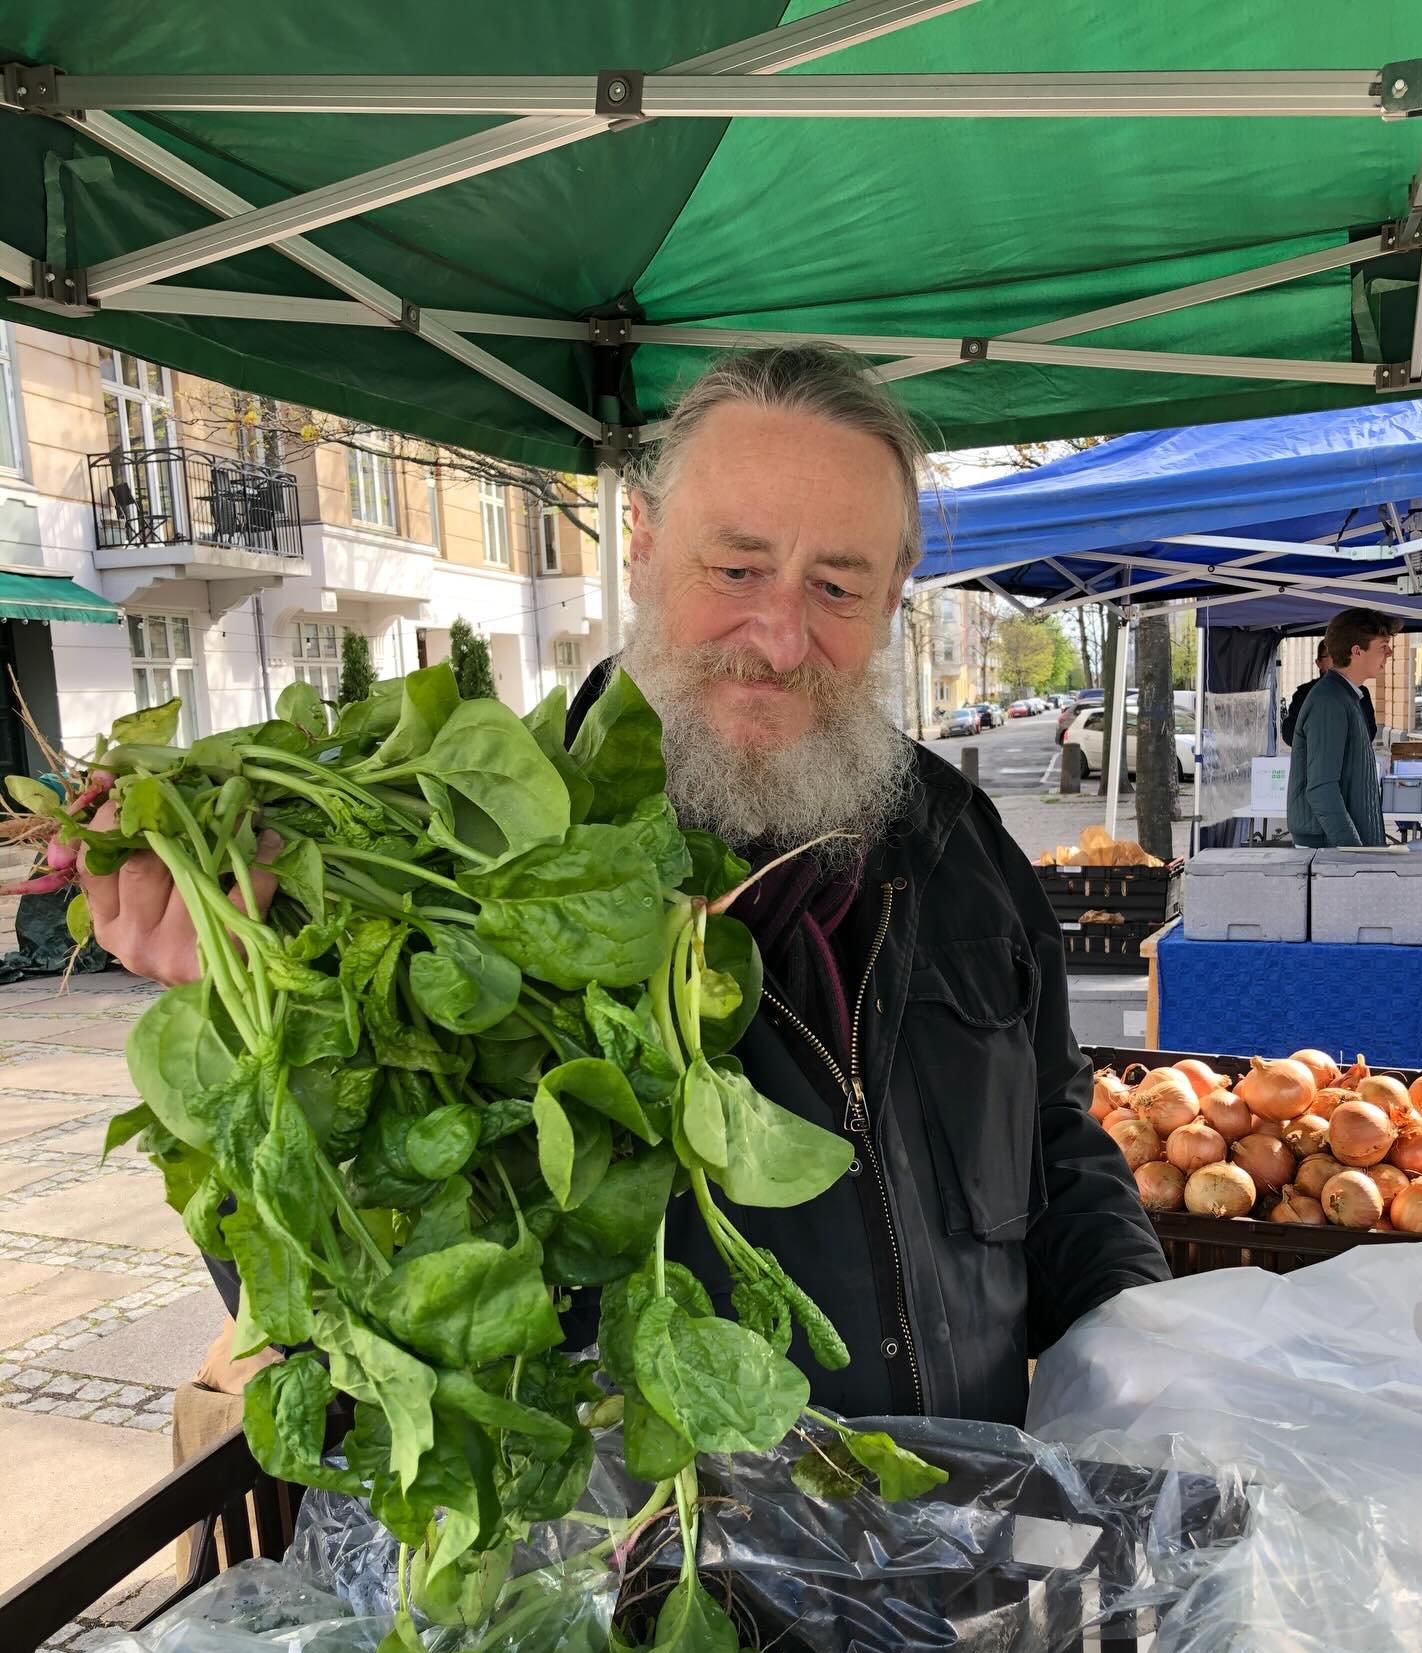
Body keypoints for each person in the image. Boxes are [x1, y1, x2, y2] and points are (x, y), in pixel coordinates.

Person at [78, 344, 1168, 1426]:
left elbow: (1057, 1151)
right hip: (633, 1573)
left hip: (946, 1561)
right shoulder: (456, 867)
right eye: (736, 571)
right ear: (642, 549)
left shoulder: (960, 845)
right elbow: (355, 1282)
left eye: (837, 586)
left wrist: (1158, 1363)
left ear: (893, 599)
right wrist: (240, 1026)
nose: (781, 638)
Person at [1286, 608, 1398, 849]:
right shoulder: (1330, 701)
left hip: (1339, 848)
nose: (1389, 653)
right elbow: (1321, 788)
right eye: (1383, 646)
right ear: (1357, 651)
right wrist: (1353, 851)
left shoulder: (1345, 696)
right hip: (1332, 850)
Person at [1281, 637, 1376, 747]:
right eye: (1329, 655)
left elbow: (1370, 731)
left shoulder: (1360, 692)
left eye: (1340, 655)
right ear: (1318, 663)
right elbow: (1290, 734)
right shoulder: (1304, 694)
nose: (1336, 660)